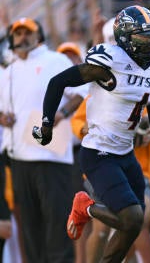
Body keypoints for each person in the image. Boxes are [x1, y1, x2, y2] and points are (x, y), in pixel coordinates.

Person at [32, 5, 150, 262]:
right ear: (124, 37)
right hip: (99, 153)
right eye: (142, 37)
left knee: (135, 224)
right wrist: (46, 126)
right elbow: (58, 82)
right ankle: (85, 207)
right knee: (131, 216)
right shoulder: (109, 62)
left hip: (126, 154)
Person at [0, 17, 84, 263]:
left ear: (39, 37)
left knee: (57, 225)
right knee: (30, 229)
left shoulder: (55, 61)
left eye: (28, 33)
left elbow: (80, 92)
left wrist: (62, 114)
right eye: (18, 34)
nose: (22, 38)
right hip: (19, 158)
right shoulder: (9, 69)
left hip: (51, 157)